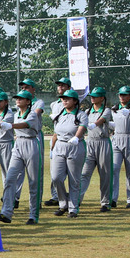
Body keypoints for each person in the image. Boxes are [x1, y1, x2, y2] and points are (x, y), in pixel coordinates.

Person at [1, 89, 43, 225]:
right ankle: (6, 212)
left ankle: (33, 215)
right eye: (17, 98)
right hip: (18, 143)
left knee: (33, 182)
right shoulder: (15, 114)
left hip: (31, 143)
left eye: (21, 98)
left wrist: (11, 126)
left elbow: (26, 124)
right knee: (10, 178)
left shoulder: (32, 114)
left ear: (28, 101)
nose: (17, 100)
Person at [49, 88, 88, 218]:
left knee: (74, 179)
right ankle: (63, 203)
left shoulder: (81, 114)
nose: (64, 101)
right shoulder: (60, 114)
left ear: (75, 101)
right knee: (56, 177)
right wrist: (52, 147)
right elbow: (56, 132)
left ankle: (73, 208)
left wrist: (77, 137)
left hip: (75, 146)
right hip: (60, 146)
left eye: (67, 99)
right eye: (63, 99)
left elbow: (82, 127)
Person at [79, 87, 114, 213]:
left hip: (103, 142)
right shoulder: (87, 111)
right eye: (92, 96)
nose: (92, 98)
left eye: (95, 96)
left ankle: (105, 202)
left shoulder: (106, 110)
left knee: (105, 174)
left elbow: (102, 120)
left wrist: (95, 124)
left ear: (102, 98)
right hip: (90, 143)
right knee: (84, 173)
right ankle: (77, 199)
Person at [44, 77, 72, 207]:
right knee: (55, 171)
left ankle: (72, 197)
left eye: (63, 86)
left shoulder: (73, 102)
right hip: (56, 137)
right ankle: (56, 196)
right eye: (59, 86)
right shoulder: (54, 105)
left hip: (69, 140)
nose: (60, 88)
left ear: (68, 87)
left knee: (71, 171)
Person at [111, 86, 130, 209]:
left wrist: (129, 111)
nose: (122, 97)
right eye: (121, 95)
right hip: (116, 138)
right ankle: (112, 198)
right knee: (114, 168)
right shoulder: (114, 108)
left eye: (125, 95)